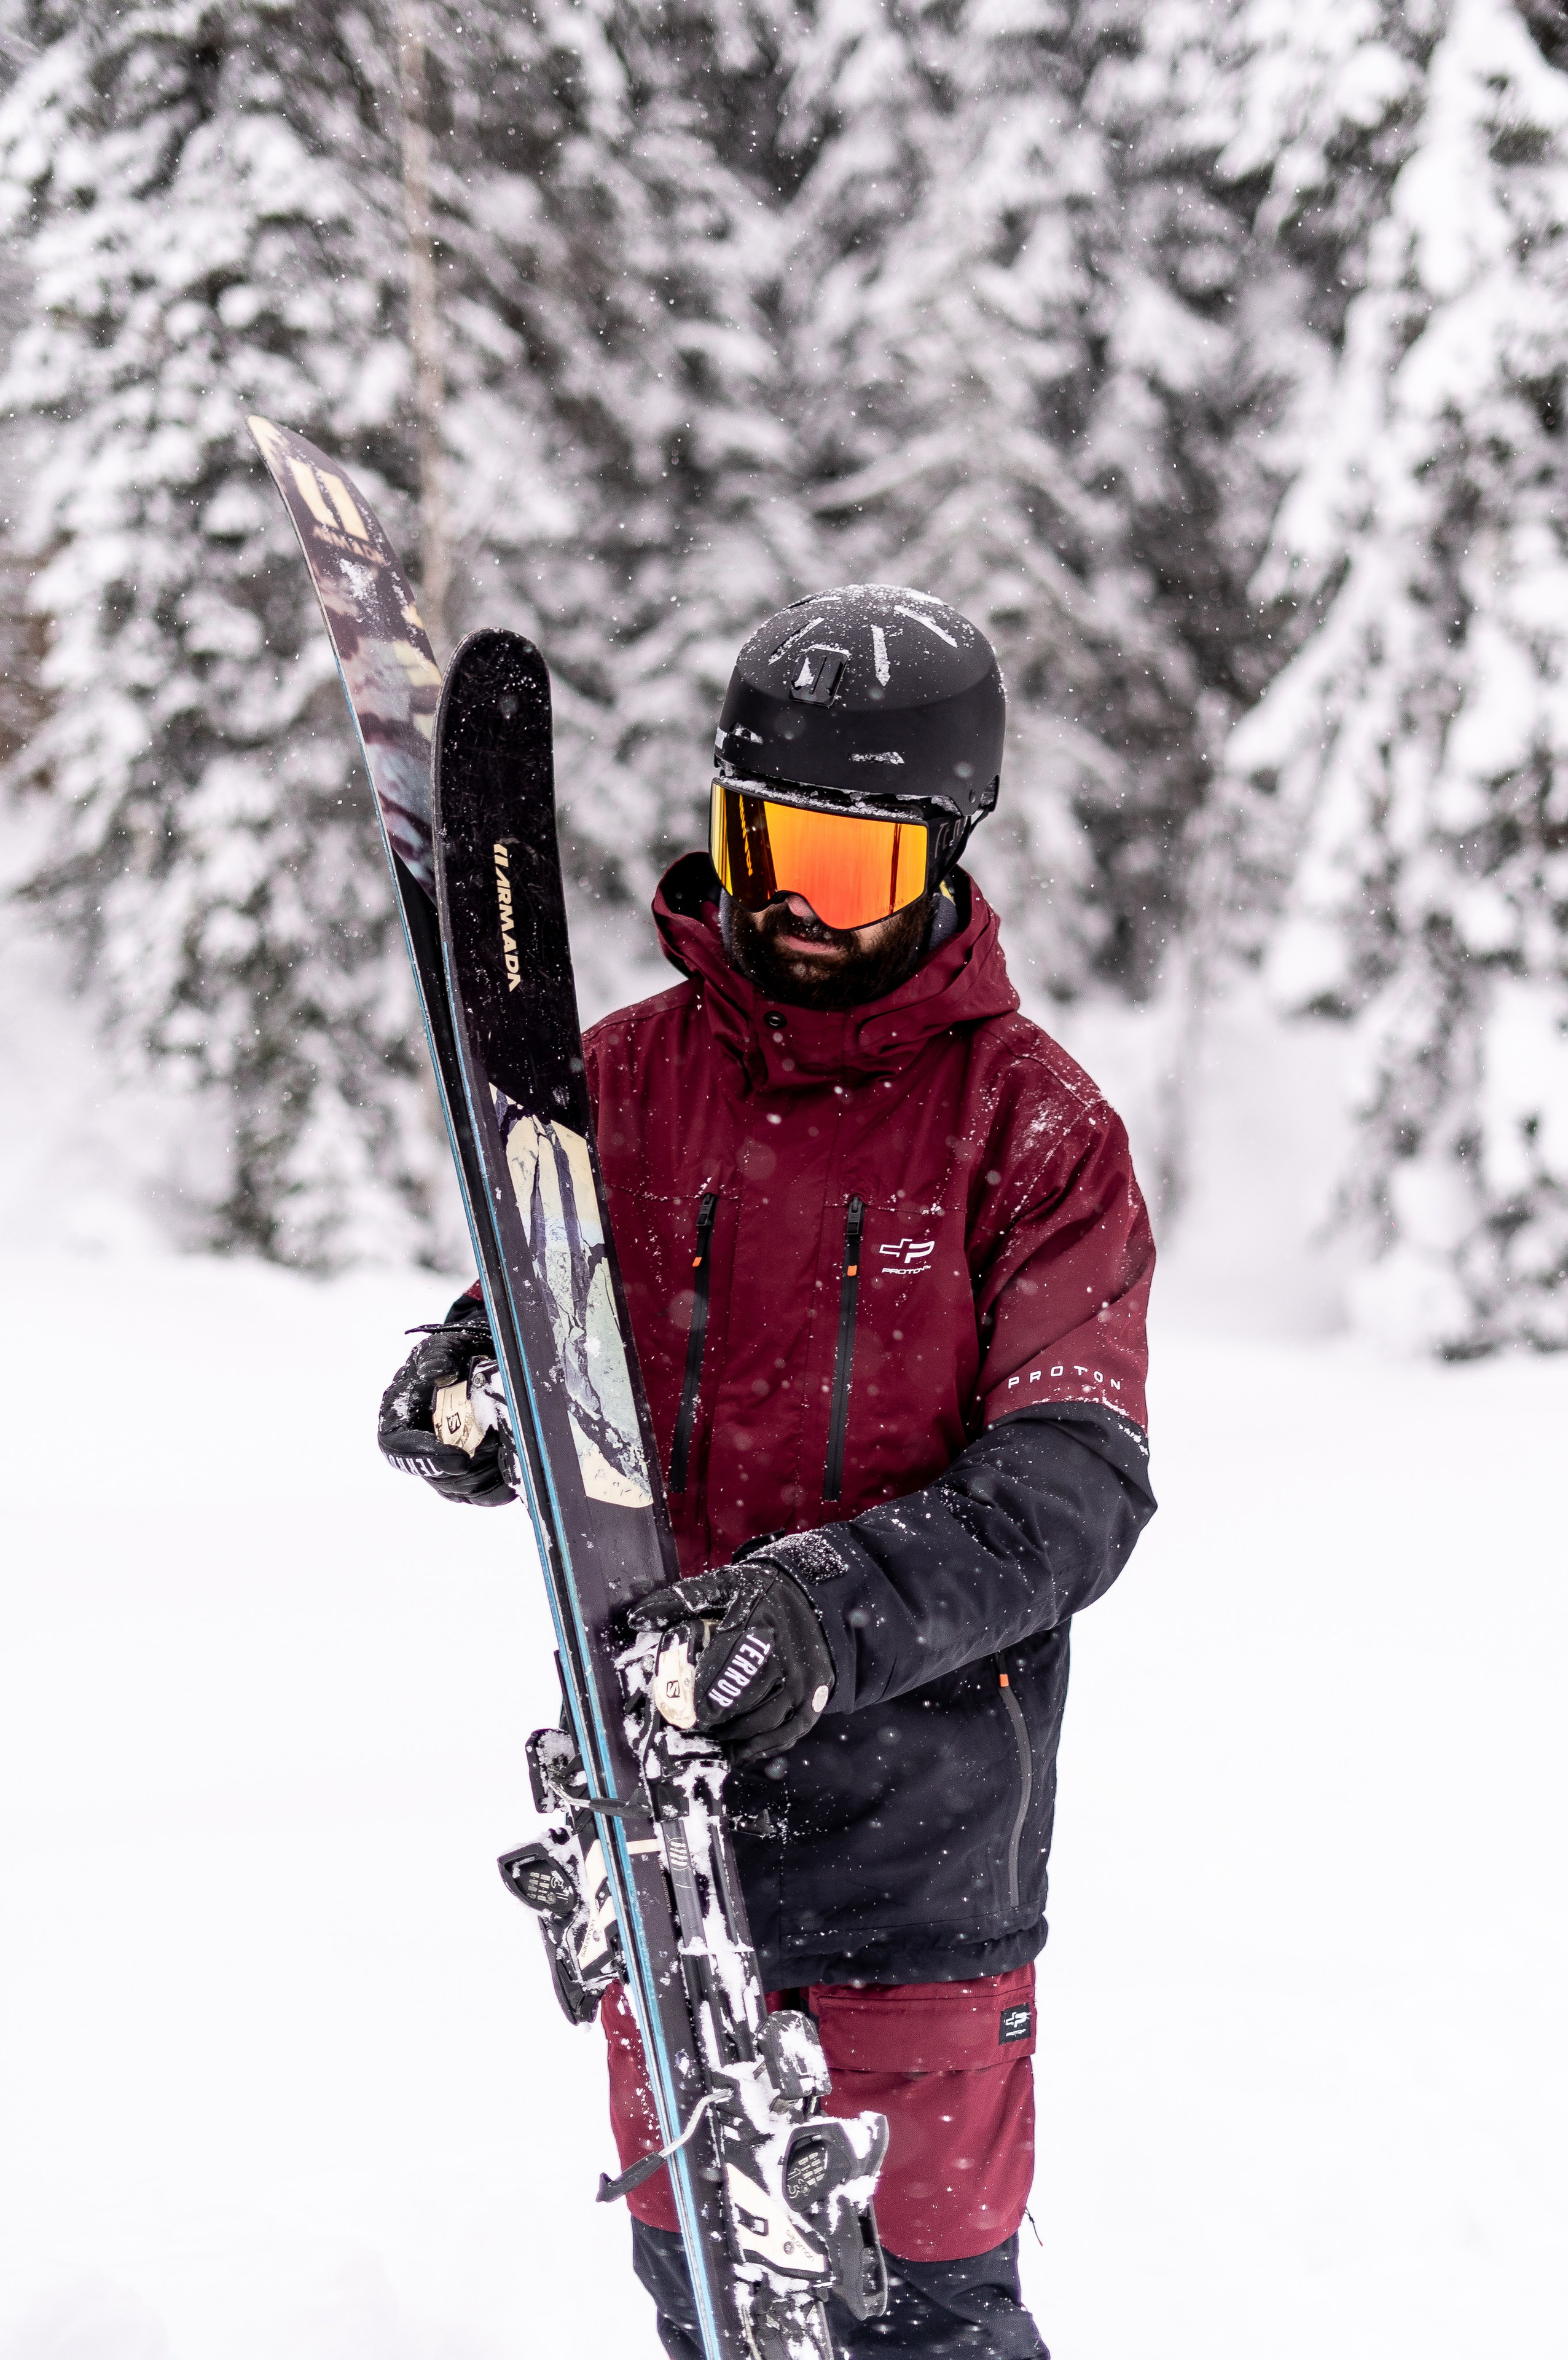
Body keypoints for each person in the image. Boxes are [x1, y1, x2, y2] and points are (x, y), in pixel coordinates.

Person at [378, 585, 1156, 2359]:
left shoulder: (1033, 1127)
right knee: (710, 2306)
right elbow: (544, 1330)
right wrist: (471, 1385)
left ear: (946, 856)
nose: (800, 905)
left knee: (919, 2320)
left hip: (919, 1865)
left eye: (856, 866)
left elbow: (1076, 1480)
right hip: (666, 1831)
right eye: (771, 846)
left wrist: (823, 1611)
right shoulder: (616, 1084)